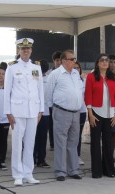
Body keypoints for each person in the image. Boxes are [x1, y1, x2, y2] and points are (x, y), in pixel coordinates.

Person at [4, 38, 44, 186]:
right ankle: (17, 175)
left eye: (28, 49)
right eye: (22, 49)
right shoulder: (12, 68)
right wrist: (8, 111)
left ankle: (28, 173)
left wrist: (41, 109)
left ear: (31, 50)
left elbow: (40, 89)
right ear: (18, 51)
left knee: (30, 143)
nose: (25, 51)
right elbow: (7, 91)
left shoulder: (36, 67)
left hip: (33, 110)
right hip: (17, 111)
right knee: (17, 144)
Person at [46, 49, 82, 181]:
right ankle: (60, 171)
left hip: (75, 113)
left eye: (74, 59)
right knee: (60, 142)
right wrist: (54, 109)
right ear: (64, 61)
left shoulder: (75, 74)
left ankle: (73, 170)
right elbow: (48, 94)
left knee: (73, 142)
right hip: (61, 111)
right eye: (72, 59)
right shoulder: (55, 74)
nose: (75, 61)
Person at [85, 53, 115, 178]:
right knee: (95, 143)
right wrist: (90, 113)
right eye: (102, 60)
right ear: (98, 63)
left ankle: (108, 170)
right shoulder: (91, 77)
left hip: (110, 114)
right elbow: (88, 94)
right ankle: (96, 171)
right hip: (95, 113)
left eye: (107, 60)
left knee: (108, 143)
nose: (105, 62)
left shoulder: (113, 77)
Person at [33, 59, 50, 168]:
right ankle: (32, 158)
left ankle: (41, 159)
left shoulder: (49, 78)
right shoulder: (33, 77)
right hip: (34, 112)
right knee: (32, 136)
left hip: (45, 112)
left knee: (42, 137)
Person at [48, 50, 62, 151]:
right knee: (52, 125)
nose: (58, 62)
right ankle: (53, 144)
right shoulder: (50, 73)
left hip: (61, 104)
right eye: (56, 60)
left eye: (60, 60)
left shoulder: (65, 72)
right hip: (52, 104)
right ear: (53, 61)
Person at [74, 61, 86, 166]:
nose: (76, 69)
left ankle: (77, 156)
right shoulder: (68, 80)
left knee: (78, 135)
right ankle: (70, 156)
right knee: (71, 135)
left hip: (82, 111)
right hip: (71, 111)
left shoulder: (84, 80)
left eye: (78, 68)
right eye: (75, 67)